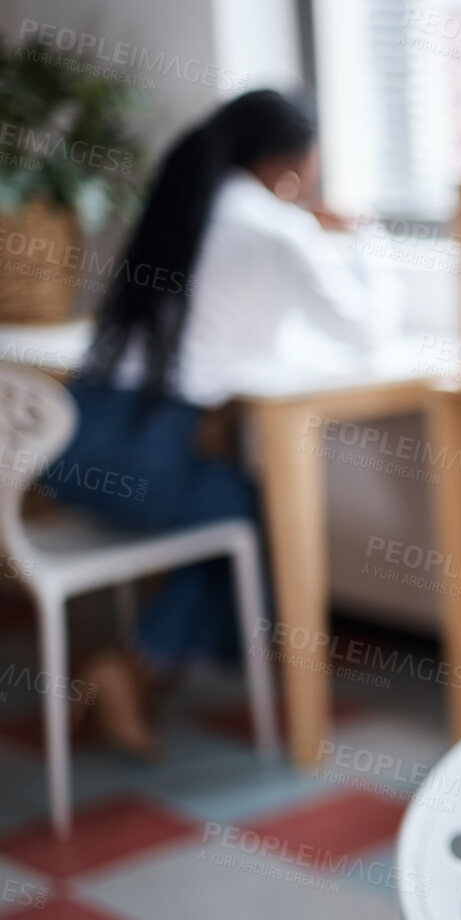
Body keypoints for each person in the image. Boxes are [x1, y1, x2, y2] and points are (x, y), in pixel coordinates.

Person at [41, 89, 401, 758]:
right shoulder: (273, 225)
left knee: (229, 507)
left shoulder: (187, 206)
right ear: (287, 164)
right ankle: (136, 667)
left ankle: (138, 671)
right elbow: (366, 334)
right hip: (139, 456)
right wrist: (362, 238)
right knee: (256, 520)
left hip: (71, 439)